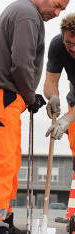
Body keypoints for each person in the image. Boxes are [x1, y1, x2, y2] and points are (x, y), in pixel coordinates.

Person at [0, 0, 70, 234]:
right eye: (56, 5)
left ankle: (3, 224)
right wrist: (30, 95)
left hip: (7, 96)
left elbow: (21, 65)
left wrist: (28, 95)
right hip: (2, 95)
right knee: (1, 163)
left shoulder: (25, 13)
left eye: (62, 9)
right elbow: (21, 63)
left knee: (10, 160)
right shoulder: (28, 15)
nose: (57, 13)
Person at [44, 13, 75, 163]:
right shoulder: (57, 45)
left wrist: (67, 118)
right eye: (69, 43)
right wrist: (53, 97)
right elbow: (51, 80)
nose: (73, 48)